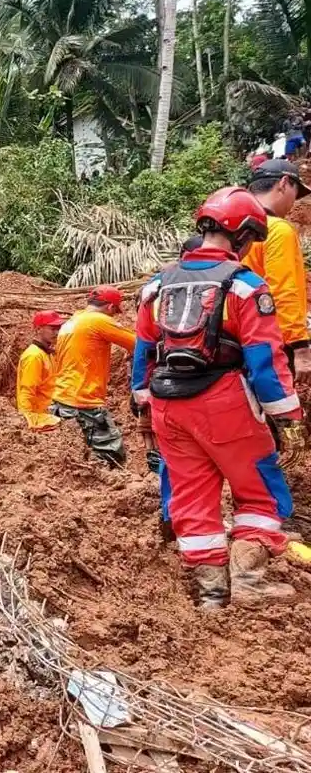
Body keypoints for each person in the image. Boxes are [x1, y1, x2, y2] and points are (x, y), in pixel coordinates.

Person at [133, 187, 303, 609]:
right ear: (243, 236)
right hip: (224, 401)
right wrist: (287, 412)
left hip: (167, 406)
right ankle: (249, 582)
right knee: (260, 491)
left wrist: (144, 405)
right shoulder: (245, 287)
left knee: (192, 495)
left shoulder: (156, 287)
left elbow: (143, 353)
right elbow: (264, 358)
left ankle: (211, 593)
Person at [49, 286, 135, 466]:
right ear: (111, 307)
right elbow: (139, 343)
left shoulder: (73, 321)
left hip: (62, 398)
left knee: (73, 455)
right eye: (114, 312)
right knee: (112, 456)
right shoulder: (98, 320)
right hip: (83, 401)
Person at [243, 159, 311, 383]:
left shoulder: (232, 229)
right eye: (295, 191)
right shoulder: (277, 230)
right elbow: (283, 290)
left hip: (238, 338)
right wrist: (300, 346)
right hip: (272, 341)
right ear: (283, 183)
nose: (293, 203)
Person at [16, 310, 66, 431]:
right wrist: (27, 420)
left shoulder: (47, 353)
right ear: (38, 329)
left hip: (50, 411)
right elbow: (26, 391)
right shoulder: (34, 356)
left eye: (58, 328)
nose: (57, 332)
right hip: (40, 417)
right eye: (52, 328)